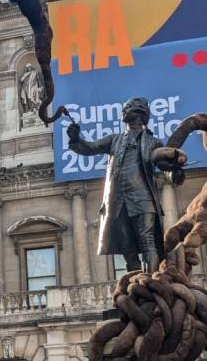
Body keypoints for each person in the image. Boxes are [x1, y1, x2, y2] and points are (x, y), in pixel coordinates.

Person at [66, 96, 186, 273]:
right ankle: (135, 281)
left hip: (143, 198)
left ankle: (151, 281)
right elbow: (90, 147)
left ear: (139, 112)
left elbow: (165, 167)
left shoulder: (153, 143)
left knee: (147, 242)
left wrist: (176, 172)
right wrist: (76, 139)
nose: (123, 111)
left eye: (128, 107)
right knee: (127, 246)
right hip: (117, 200)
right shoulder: (114, 140)